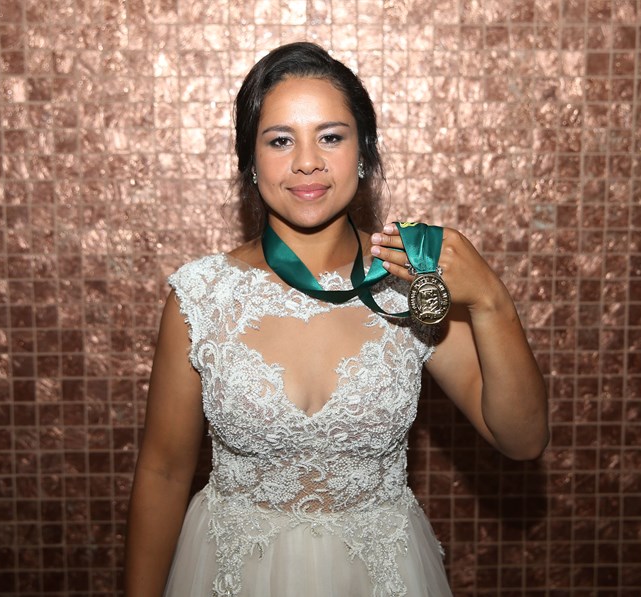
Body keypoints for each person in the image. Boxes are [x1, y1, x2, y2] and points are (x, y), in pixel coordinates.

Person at [124, 42, 549, 597]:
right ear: (249, 162)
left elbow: (522, 440)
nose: (307, 161)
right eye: (280, 140)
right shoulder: (202, 295)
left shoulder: (411, 282)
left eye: (331, 136)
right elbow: (162, 473)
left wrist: (492, 300)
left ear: (365, 153)